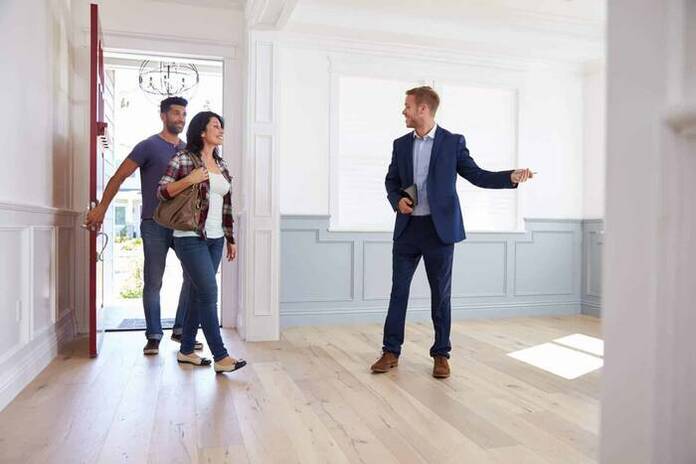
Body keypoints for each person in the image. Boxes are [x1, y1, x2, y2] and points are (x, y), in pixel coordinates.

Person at [371, 86, 533, 379]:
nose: (404, 111)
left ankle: (441, 355)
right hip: (408, 229)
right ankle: (390, 351)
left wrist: (510, 177)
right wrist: (397, 200)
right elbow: (391, 181)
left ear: (423, 109)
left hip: (440, 231)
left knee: (441, 295)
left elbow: (478, 175)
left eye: (407, 106)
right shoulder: (400, 144)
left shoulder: (452, 142)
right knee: (399, 291)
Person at [84, 96, 202, 355]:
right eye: (176, 113)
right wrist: (102, 208)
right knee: (153, 281)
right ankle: (154, 335)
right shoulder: (147, 146)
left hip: (183, 225)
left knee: (194, 276)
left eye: (184, 114)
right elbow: (118, 177)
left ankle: (181, 330)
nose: (181, 118)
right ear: (163, 115)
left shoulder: (188, 150)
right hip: (154, 223)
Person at [157, 111, 246, 373]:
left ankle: (186, 351)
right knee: (208, 294)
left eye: (222, 126)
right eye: (216, 126)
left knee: (198, 294)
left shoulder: (221, 164)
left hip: (216, 239)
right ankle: (221, 356)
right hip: (190, 237)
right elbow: (161, 191)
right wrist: (190, 179)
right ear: (202, 131)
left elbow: (226, 205)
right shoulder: (184, 158)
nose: (221, 130)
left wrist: (230, 238)